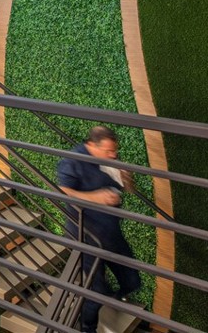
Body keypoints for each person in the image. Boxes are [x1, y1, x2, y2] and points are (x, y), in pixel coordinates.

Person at [57, 125, 142, 333]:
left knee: (132, 280)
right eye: (109, 151)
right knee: (96, 292)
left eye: (115, 150)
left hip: (110, 232)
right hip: (86, 235)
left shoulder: (109, 159)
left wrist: (127, 179)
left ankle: (114, 298)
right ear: (92, 145)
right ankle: (87, 328)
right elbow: (62, 191)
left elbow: (127, 188)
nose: (113, 155)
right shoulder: (72, 160)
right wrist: (96, 197)